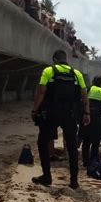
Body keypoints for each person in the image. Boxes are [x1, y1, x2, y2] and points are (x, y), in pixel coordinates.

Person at [31, 50, 90, 189]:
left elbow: (41, 91)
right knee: (71, 146)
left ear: (54, 60)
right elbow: (84, 95)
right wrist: (87, 113)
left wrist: (35, 110)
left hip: (51, 113)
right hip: (70, 114)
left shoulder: (48, 71)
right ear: (66, 60)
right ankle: (74, 181)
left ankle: (46, 177)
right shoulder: (77, 74)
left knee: (42, 143)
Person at [80, 76, 101, 166]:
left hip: (86, 118)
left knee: (86, 141)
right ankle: (93, 161)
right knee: (96, 142)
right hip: (97, 120)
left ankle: (85, 161)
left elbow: (82, 101)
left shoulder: (88, 89)